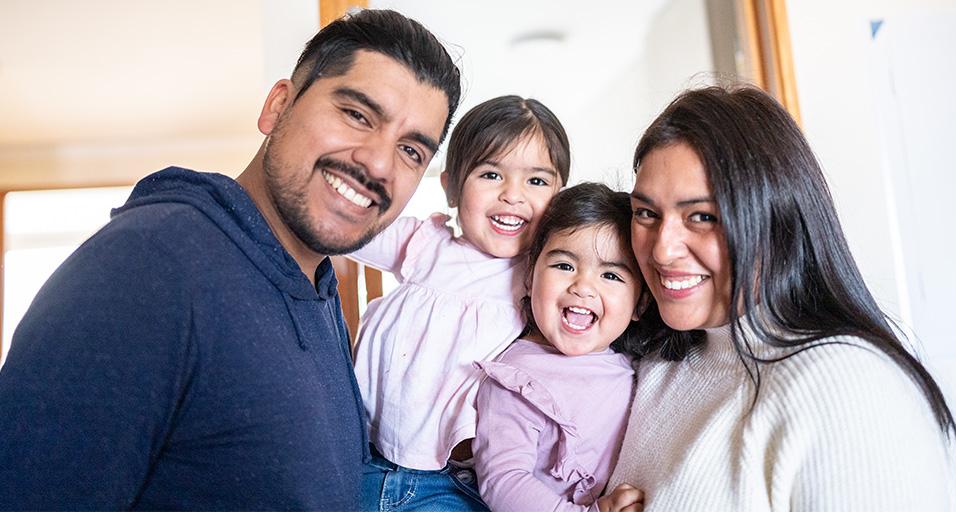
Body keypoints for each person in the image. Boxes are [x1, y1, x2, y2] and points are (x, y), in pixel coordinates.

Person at [0, 9, 460, 510]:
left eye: (412, 151)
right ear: (278, 107)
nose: (378, 163)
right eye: (356, 115)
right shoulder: (151, 264)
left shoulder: (316, 291)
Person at [608, 86, 956, 510]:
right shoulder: (656, 365)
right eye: (646, 213)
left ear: (777, 218)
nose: (662, 249)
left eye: (702, 217)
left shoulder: (847, 387)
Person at [349, 95, 570, 510]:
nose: (512, 195)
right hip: (364, 459)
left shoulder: (541, 277)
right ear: (450, 188)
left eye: (537, 181)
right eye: (491, 174)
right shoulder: (424, 245)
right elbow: (345, 225)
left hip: (457, 483)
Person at [472, 183, 648, 512]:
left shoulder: (638, 369)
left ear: (640, 303)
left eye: (611, 275)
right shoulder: (517, 378)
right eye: (564, 266)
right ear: (529, 278)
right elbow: (504, 480)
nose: (582, 286)